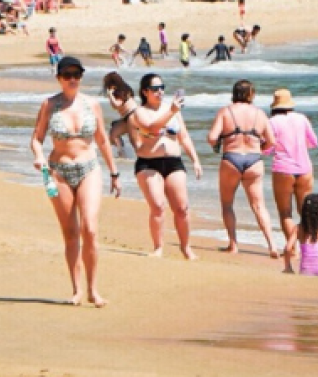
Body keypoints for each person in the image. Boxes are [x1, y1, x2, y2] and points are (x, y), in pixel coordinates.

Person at [30, 56, 116, 306]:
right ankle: (77, 290)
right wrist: (39, 157)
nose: (73, 79)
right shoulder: (49, 105)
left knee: (90, 228)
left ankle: (93, 290)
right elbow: (37, 138)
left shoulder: (93, 104)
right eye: (67, 75)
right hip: (57, 171)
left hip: (89, 168)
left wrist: (114, 172)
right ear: (59, 78)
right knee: (70, 232)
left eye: (77, 75)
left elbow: (102, 140)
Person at [128, 73, 200, 258]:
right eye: (155, 89)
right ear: (145, 92)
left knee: (182, 207)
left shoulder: (172, 110)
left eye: (162, 88)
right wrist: (172, 111)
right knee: (158, 206)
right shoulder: (140, 111)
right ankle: (158, 247)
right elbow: (151, 127)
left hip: (173, 161)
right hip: (148, 163)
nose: (160, 91)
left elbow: (183, 137)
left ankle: (186, 247)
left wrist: (195, 160)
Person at [207, 79, 278, 257]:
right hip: (254, 160)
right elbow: (272, 141)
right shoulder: (260, 114)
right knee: (259, 206)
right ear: (250, 95)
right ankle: (272, 245)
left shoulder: (226, 111)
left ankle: (233, 245)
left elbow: (211, 137)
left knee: (227, 204)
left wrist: (218, 143)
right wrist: (259, 148)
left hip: (231, 159)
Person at [267, 89, 318, 272]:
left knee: (285, 213)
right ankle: (310, 249)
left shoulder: (272, 122)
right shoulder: (302, 118)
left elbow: (267, 148)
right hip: (305, 168)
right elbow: (314, 142)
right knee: (306, 212)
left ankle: (293, 249)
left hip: (283, 170)